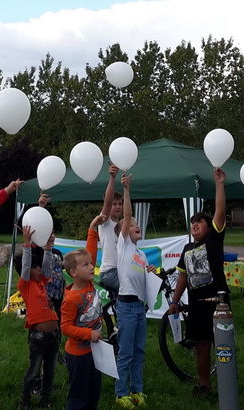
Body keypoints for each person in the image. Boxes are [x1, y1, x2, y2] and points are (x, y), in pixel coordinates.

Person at [168, 168, 228, 396]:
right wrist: (175, 300)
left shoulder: (214, 239)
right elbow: (182, 276)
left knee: (222, 343)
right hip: (197, 303)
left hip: (218, 302)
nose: (195, 224)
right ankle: (205, 384)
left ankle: (226, 383)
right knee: (201, 345)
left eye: (200, 222)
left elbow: (220, 212)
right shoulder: (187, 248)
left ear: (209, 225)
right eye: (192, 222)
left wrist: (219, 184)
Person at [114, 173, 155, 408]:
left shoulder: (140, 253)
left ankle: (137, 391)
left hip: (139, 307)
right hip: (127, 306)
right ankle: (121, 394)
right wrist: (127, 189)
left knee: (139, 351)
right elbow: (127, 215)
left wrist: (148, 271)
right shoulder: (124, 246)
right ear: (124, 232)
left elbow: (144, 280)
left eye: (138, 226)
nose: (136, 226)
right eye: (132, 226)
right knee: (126, 352)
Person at [60, 214, 105, 410]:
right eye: (85, 265)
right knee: (78, 398)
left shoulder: (88, 284)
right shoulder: (71, 299)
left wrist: (93, 228)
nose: (91, 266)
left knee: (94, 393)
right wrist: (89, 334)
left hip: (95, 350)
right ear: (73, 273)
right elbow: (65, 327)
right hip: (78, 356)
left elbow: (90, 252)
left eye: (91, 264)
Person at [15, 225, 60, 410]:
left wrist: (48, 248)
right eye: (35, 267)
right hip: (39, 336)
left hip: (54, 335)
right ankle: (24, 401)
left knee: (50, 371)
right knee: (34, 371)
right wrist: (26, 244)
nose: (38, 269)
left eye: (38, 266)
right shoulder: (25, 285)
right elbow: (25, 267)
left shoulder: (41, 282)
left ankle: (45, 398)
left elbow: (48, 269)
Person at [96, 164, 124, 298]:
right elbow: (107, 202)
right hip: (109, 271)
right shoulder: (105, 222)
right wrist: (112, 178)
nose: (118, 206)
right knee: (131, 289)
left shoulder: (122, 224)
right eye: (115, 204)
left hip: (121, 270)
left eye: (120, 203)